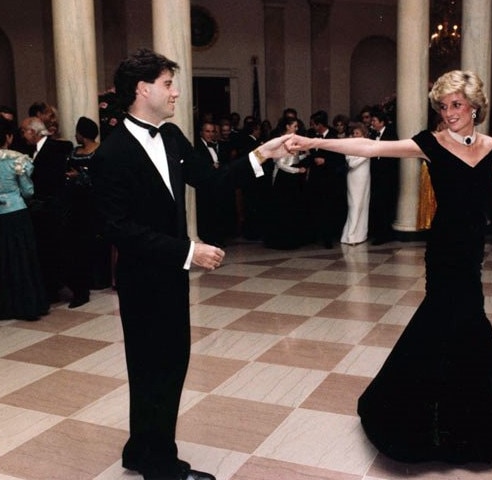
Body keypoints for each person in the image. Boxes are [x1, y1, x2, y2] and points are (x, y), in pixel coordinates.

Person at [288, 70, 492, 464]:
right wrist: (312, 140)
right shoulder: (431, 143)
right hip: (444, 249)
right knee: (448, 317)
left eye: (456, 105)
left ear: (475, 106)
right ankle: (423, 414)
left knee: (468, 317)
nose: (449, 113)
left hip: (472, 249)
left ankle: (471, 409)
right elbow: (372, 149)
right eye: (443, 106)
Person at [91, 48, 292, 480]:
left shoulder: (172, 136)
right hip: (144, 280)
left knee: (168, 364)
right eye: (167, 83)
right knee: (154, 368)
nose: (176, 92)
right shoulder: (112, 154)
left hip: (170, 278)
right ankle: (161, 465)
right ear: (143, 89)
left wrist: (263, 155)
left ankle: (140, 450)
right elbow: (117, 228)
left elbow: (214, 181)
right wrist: (188, 251)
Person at [0, 118, 49, 321]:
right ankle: (28, 304)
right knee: (22, 258)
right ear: (8, 138)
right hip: (17, 213)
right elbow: (28, 191)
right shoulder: (18, 159)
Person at [21, 116, 73, 303]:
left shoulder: (56, 148)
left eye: (24, 131)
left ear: (33, 132)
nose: (23, 135)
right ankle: (51, 288)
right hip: (40, 211)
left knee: (57, 249)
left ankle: (62, 287)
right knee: (46, 250)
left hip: (53, 208)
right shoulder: (30, 151)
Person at [64, 116, 101, 307]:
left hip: (93, 202)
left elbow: (102, 178)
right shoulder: (74, 151)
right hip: (74, 203)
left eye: (77, 131)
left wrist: (80, 176)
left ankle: (96, 279)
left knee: (93, 239)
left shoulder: (100, 151)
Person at [304, 110, 347, 249]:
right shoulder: (311, 135)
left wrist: (325, 161)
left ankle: (328, 237)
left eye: (314, 124)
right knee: (315, 206)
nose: (312, 127)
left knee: (329, 208)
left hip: (329, 179)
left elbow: (340, 159)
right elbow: (309, 155)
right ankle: (315, 234)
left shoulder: (334, 136)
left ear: (320, 125)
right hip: (315, 177)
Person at [263, 117, 308, 249]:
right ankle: (281, 241)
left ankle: (292, 239)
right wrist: (297, 170)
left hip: (291, 179)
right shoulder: (279, 141)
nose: (297, 128)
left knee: (292, 209)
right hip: (283, 178)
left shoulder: (293, 140)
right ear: (287, 126)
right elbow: (280, 164)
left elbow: (292, 158)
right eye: (294, 126)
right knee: (283, 209)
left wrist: (304, 156)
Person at [368, 107, 399, 245]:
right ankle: (379, 233)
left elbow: (394, 155)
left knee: (386, 205)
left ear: (382, 122)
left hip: (388, 176)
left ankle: (385, 234)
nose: (372, 123)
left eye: (374, 120)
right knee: (378, 205)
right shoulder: (372, 135)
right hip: (376, 175)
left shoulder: (391, 134)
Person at [340, 122, 370, 245]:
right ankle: (350, 236)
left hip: (364, 177)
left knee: (363, 204)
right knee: (355, 205)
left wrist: (364, 155)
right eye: (354, 133)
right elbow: (351, 162)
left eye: (357, 133)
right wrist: (364, 156)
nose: (355, 135)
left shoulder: (368, 145)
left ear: (363, 134)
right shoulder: (350, 145)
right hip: (354, 177)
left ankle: (360, 235)